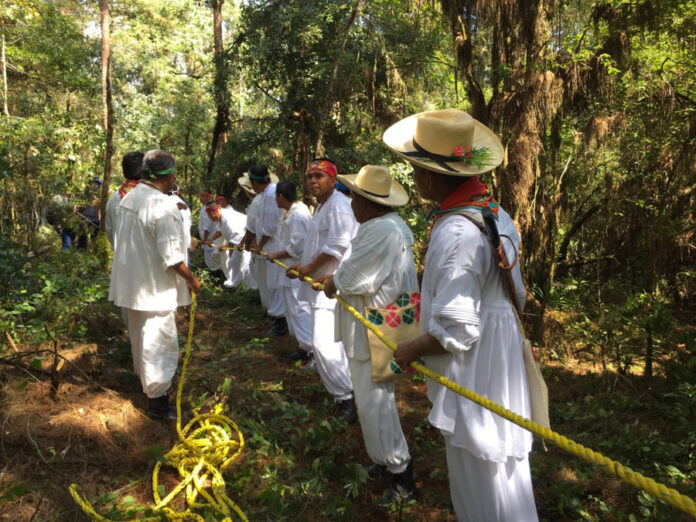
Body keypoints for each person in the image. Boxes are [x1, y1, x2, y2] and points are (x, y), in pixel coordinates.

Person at [385, 109, 537, 521]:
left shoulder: (455, 232)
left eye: (415, 170)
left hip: (477, 366)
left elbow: (459, 326)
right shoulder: (494, 211)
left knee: (479, 471)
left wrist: (410, 350)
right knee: (503, 471)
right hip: (497, 354)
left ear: (432, 176)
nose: (413, 178)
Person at [316, 165, 418, 504]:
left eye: (354, 197)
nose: (350, 203)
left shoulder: (380, 231)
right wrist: (337, 281)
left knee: (377, 402)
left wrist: (332, 284)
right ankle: (382, 458)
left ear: (366, 202)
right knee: (371, 398)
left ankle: (402, 475)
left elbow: (352, 277)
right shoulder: (389, 226)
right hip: (380, 321)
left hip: (374, 328)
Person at [109, 149, 201, 420]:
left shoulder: (129, 197)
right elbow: (172, 258)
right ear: (170, 175)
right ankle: (158, 403)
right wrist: (192, 280)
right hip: (155, 289)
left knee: (141, 339)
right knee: (159, 343)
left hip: (133, 286)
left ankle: (150, 391)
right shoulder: (162, 205)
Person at [286, 158, 359, 423]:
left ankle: (346, 398)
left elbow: (337, 248)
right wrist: (303, 264)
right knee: (333, 343)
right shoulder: (323, 206)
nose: (313, 181)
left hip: (332, 286)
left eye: (320, 176)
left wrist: (309, 269)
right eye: (310, 177)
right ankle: (347, 393)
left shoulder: (339, 205)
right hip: (324, 284)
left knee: (324, 343)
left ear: (333, 179)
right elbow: (319, 244)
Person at [265, 180, 313, 362]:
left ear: (281, 196)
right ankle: (303, 347)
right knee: (293, 310)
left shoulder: (298, 216)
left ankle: (310, 351)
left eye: (276, 197)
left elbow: (298, 246)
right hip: (289, 271)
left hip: (296, 270)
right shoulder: (293, 213)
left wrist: (277, 254)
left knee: (300, 309)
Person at [245, 165, 287, 336]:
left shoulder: (271, 194)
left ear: (255, 181)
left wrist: (260, 245)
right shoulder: (264, 195)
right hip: (268, 246)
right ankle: (275, 316)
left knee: (275, 284)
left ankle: (281, 322)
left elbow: (270, 226)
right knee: (270, 284)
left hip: (274, 246)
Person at [206, 200, 249, 290]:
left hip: (245, 243)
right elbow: (221, 231)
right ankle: (237, 286)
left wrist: (226, 247)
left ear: (217, 209)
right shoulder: (220, 218)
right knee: (233, 263)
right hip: (239, 243)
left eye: (212, 212)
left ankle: (242, 288)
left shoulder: (227, 218)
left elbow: (237, 237)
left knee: (241, 266)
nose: (210, 215)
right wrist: (212, 239)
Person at [105, 151, 143, 249]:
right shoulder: (153, 198)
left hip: (120, 259)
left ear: (123, 172)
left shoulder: (113, 200)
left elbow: (110, 231)